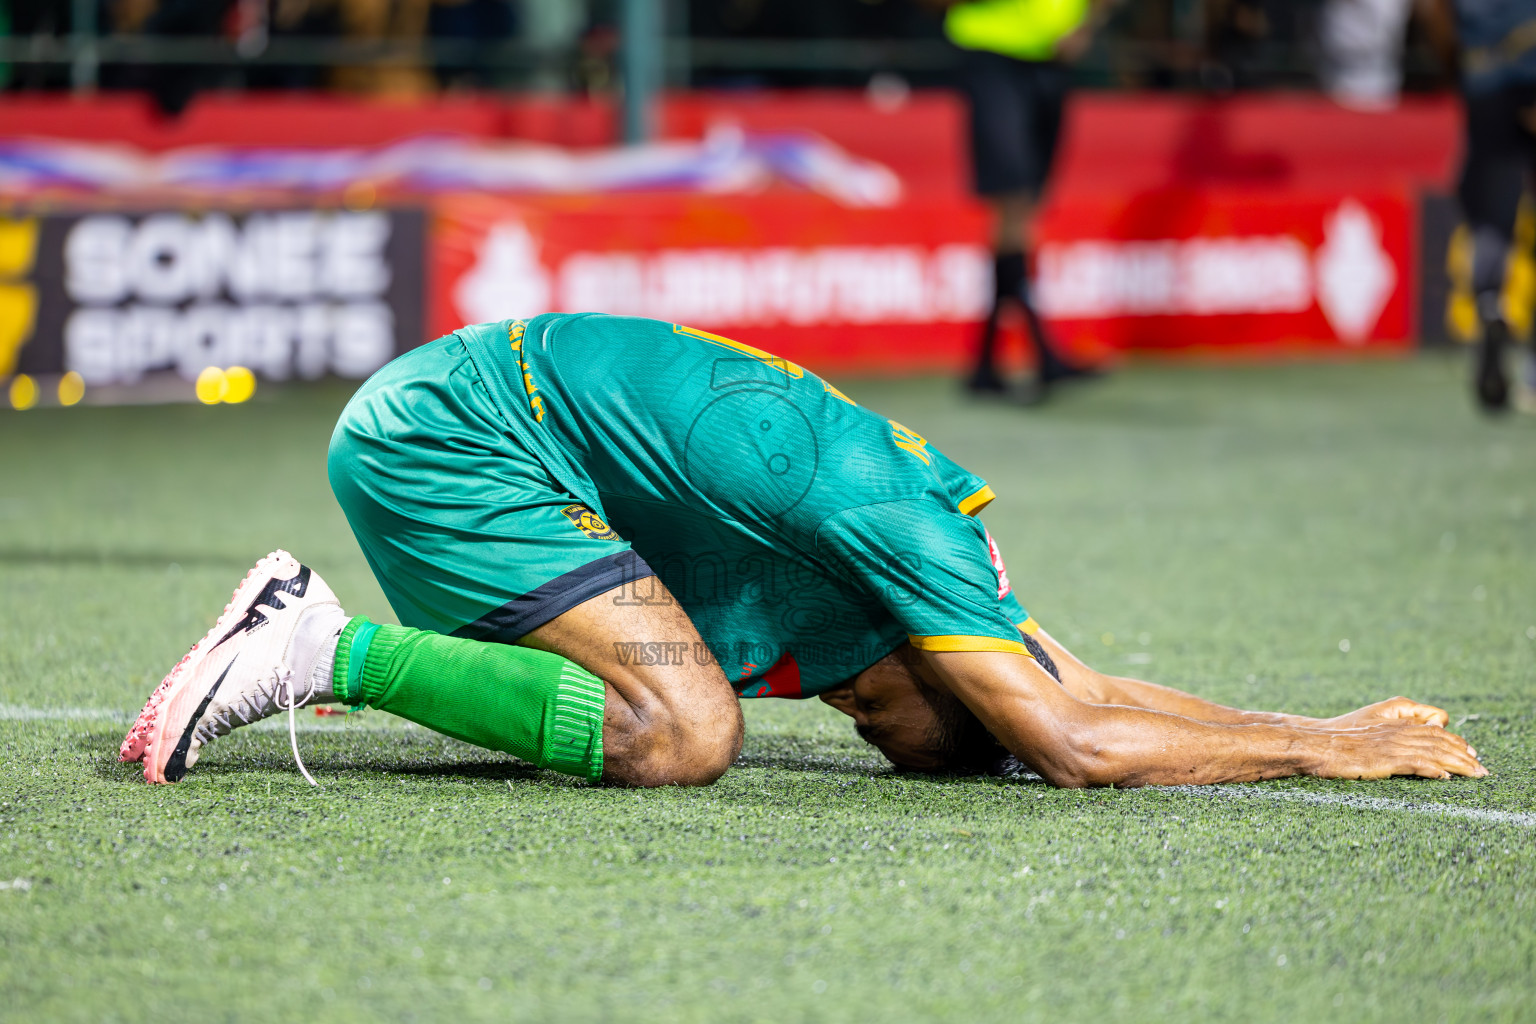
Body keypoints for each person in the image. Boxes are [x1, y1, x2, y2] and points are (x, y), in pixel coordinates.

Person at [122, 315, 1486, 787]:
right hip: (461, 441)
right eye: (918, 729)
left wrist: (1314, 711)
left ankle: (334, 641)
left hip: (479, 428)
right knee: (684, 732)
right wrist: (1330, 749)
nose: (876, 729)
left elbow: (1083, 683)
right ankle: (314, 640)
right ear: (929, 662)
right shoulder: (910, 550)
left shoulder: (929, 563)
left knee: (653, 710)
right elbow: (1077, 738)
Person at [941, 0, 1109, 400]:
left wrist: (1085, 23)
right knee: (1013, 203)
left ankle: (987, 363)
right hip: (993, 56)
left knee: (1025, 208)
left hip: (1050, 63)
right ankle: (1039, 352)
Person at [1426, 0, 1536, 412]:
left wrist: (1457, 65)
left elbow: (1431, 10)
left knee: (1490, 221)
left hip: (1485, 78)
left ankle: (1490, 307)